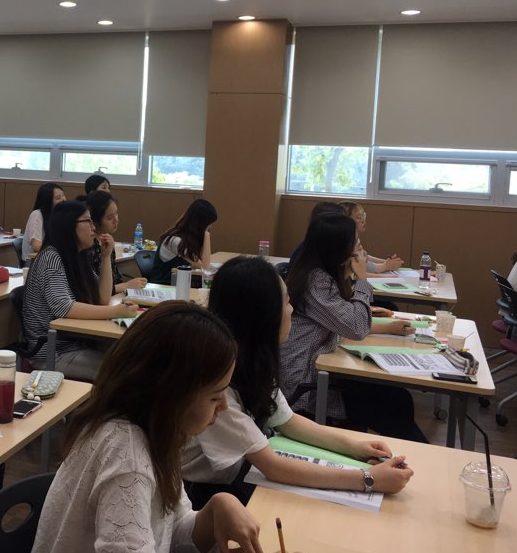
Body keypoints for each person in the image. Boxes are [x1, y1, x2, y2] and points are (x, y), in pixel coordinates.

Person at [29, 301, 304, 553]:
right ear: (172, 395)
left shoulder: (159, 432)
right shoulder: (127, 455)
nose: (223, 407)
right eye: (215, 396)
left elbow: (169, 531)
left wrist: (214, 510)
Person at [182, 256, 413, 508]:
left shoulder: (253, 361)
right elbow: (273, 467)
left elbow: (287, 420)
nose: (292, 310)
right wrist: (368, 479)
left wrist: (355, 447)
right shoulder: (218, 385)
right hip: (203, 493)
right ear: (262, 316)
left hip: (238, 473)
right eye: (286, 301)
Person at [280, 212, 428, 442]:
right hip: (306, 382)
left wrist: (388, 328)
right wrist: (362, 279)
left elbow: (346, 323)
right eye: (357, 247)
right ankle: (421, 456)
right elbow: (356, 327)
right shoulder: (316, 282)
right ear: (339, 250)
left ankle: (411, 455)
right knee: (392, 403)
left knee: (399, 399)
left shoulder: (325, 275)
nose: (363, 253)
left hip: (323, 368)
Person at [22, 201, 138, 382]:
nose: (93, 227)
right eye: (87, 221)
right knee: (124, 372)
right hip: (53, 352)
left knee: (133, 358)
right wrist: (115, 311)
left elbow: (102, 297)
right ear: (69, 225)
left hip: (78, 343)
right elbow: (64, 308)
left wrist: (106, 257)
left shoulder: (77, 256)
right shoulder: (51, 257)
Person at [85, 190, 147, 294]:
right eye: (110, 217)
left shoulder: (107, 241)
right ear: (95, 221)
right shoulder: (89, 246)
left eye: (116, 214)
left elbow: (116, 279)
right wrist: (127, 285)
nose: (116, 220)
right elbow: (96, 290)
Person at [149, 198, 217, 285]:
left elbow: (201, 263)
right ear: (201, 223)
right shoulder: (175, 241)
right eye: (209, 224)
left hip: (177, 283)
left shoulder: (187, 238)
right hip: (164, 285)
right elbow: (205, 267)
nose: (210, 227)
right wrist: (206, 235)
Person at [338, 201, 403, 274]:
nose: (363, 220)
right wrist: (386, 266)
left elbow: (366, 257)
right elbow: (363, 267)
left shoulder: (354, 238)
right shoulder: (346, 242)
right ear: (347, 222)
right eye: (359, 217)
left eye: (363, 216)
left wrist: (387, 262)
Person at [21, 182, 66, 265]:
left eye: (63, 195)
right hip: (34, 263)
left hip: (51, 260)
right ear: (47, 201)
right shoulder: (37, 215)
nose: (63, 199)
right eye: (58, 198)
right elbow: (36, 245)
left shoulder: (59, 216)